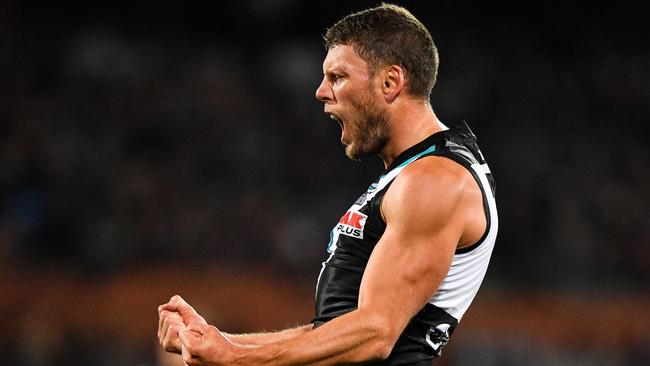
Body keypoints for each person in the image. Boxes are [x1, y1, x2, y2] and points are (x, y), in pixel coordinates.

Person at [157, 3, 497, 365]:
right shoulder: (412, 175)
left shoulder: (435, 180)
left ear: (390, 82)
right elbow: (337, 329)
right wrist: (219, 343)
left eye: (338, 77)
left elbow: (375, 333)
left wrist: (234, 358)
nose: (321, 91)